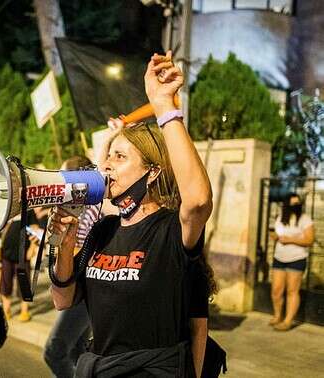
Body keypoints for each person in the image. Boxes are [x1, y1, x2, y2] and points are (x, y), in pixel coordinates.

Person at [50, 51, 213, 377]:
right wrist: (64, 247)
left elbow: (196, 201)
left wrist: (165, 106)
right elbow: (62, 299)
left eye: (119, 157)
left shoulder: (170, 231)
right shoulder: (102, 230)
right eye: (108, 156)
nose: (106, 165)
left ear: (152, 172)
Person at [44, 155, 100, 378]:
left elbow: (84, 250)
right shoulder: (82, 207)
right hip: (81, 287)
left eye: (63, 177)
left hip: (83, 287)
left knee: (54, 351)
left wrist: (65, 250)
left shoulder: (90, 208)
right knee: (78, 350)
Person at [269, 193, 314, 331]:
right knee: (276, 290)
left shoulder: (305, 219)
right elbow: (273, 233)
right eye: (293, 204)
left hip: (297, 259)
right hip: (279, 257)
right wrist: (275, 236)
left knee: (292, 291)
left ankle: (288, 321)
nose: (296, 206)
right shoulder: (281, 217)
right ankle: (277, 316)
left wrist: (290, 239)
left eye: (298, 204)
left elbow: (309, 240)